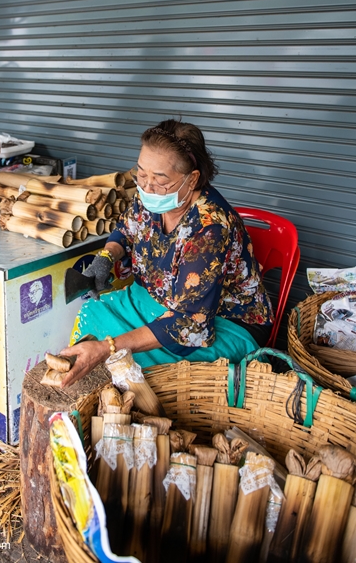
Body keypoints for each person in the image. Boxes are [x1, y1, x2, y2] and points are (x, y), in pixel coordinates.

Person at [60, 119, 273, 387]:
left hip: (221, 321)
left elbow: (189, 321)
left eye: (160, 179)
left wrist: (108, 347)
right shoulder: (151, 195)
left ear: (192, 178)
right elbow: (127, 228)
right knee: (92, 314)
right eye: (141, 173)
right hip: (158, 298)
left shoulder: (210, 229)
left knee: (136, 371)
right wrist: (107, 257)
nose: (147, 187)